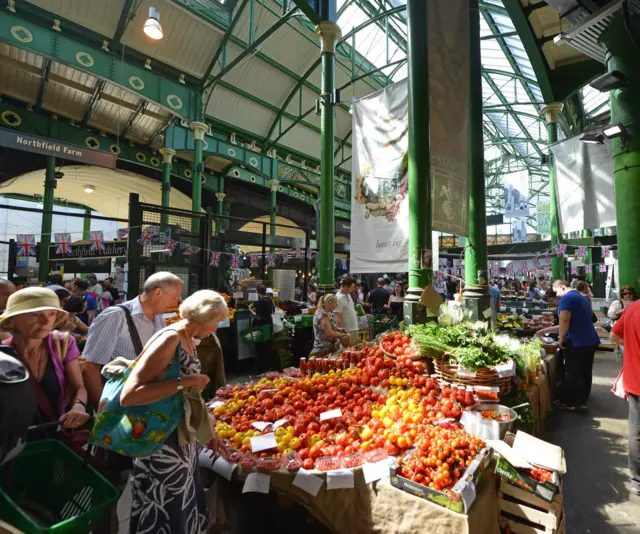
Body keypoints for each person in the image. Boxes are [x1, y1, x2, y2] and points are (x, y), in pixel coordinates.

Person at [120, 290, 227, 534]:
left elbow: (190, 395)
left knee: (183, 505)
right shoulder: (170, 338)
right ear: (203, 316)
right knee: (161, 506)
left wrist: (208, 428)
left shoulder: (189, 339)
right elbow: (130, 395)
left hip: (180, 438)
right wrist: (186, 382)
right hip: (160, 442)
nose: (217, 326)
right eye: (216, 320)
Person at [83, 272, 183, 409]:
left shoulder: (161, 318)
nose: (177, 302)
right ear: (158, 292)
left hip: (148, 403)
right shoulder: (115, 316)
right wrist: (103, 408)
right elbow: (90, 364)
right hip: (118, 403)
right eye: (175, 297)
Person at [0, 288, 89, 439]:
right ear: (12, 320)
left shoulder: (62, 344)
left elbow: (79, 387)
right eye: (35, 314)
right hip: (10, 442)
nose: (46, 321)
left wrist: (79, 405)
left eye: (52, 314)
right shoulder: (4, 354)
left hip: (51, 435)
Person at [553, 279, 600, 410]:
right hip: (589, 340)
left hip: (576, 341)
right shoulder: (582, 298)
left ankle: (569, 401)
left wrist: (561, 337)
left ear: (562, 287)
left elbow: (564, 319)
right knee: (585, 371)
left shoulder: (567, 299)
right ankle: (581, 400)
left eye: (556, 291)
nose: (556, 295)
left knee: (572, 371)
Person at [610, 299, 640, 496]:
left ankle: (637, 480)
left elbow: (613, 335)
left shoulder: (632, 308)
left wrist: (630, 346)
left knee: (636, 431)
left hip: (635, 380)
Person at [249, 284, 278, 372]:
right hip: (268, 326)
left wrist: (250, 309)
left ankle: (260, 369)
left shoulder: (260, 302)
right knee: (267, 347)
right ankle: (268, 367)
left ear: (257, 291)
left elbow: (258, 316)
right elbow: (273, 310)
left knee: (259, 348)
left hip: (260, 327)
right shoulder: (270, 299)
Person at [335, 277, 358, 346]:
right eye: (352, 287)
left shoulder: (348, 295)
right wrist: (342, 334)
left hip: (353, 328)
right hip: (347, 330)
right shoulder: (338, 298)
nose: (353, 289)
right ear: (345, 287)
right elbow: (337, 316)